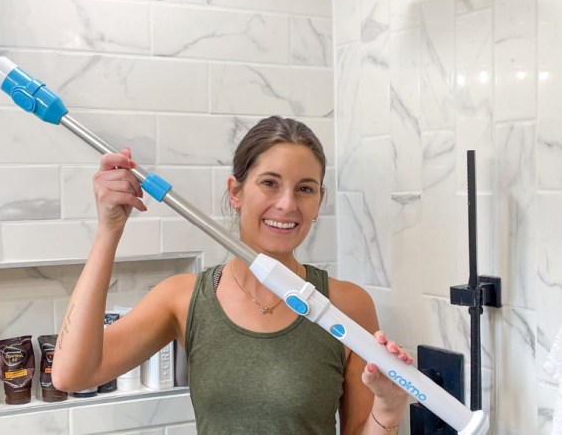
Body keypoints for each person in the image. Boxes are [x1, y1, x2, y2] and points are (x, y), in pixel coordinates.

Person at [52, 116, 414, 434]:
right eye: (270, 183)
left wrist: (388, 408)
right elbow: (72, 375)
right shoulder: (184, 299)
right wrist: (108, 230)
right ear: (236, 192)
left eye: (305, 189)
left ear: (319, 202)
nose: (287, 204)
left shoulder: (345, 306)